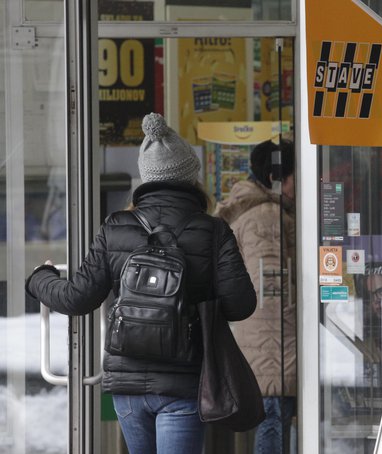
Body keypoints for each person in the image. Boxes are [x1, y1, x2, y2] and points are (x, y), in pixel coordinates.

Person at [25, 113, 257, 454]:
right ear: (191, 177)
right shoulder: (213, 231)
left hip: (128, 385)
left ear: (147, 178)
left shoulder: (116, 226)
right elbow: (241, 304)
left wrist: (39, 278)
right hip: (184, 383)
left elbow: (77, 298)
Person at [214, 139, 296, 454]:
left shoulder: (258, 211)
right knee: (274, 424)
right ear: (279, 178)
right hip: (274, 344)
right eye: (295, 175)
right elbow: (273, 293)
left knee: (272, 421)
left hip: (263, 343)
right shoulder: (267, 219)